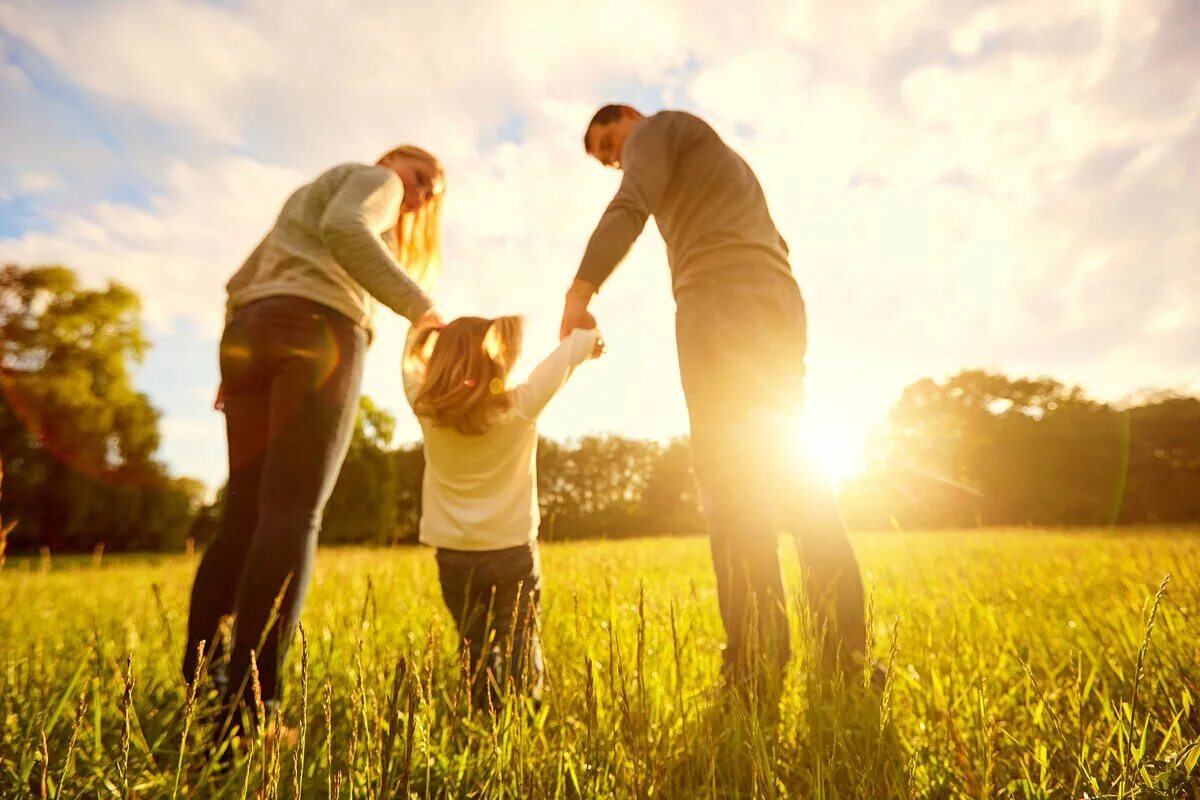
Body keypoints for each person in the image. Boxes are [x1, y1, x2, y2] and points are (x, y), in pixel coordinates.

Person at [560, 105, 869, 690]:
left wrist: (580, 291)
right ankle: (847, 662)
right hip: (775, 298)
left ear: (630, 116)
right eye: (607, 159)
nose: (617, 158)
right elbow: (777, 240)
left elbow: (632, 203)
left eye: (611, 141)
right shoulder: (720, 159)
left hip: (721, 301)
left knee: (732, 485)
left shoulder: (660, 129)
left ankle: (754, 668)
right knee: (795, 472)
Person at [183, 145, 446, 732]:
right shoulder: (376, 181)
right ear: (393, 160)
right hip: (319, 329)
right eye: (421, 175)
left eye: (433, 190)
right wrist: (421, 308)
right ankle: (251, 711)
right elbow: (345, 227)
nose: (422, 192)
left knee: (243, 518)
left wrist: (234, 364)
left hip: (250, 330)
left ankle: (202, 688)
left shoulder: (311, 192)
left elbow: (238, 280)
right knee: (292, 514)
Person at [403, 315, 602, 710]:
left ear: (439, 361)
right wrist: (590, 337)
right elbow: (565, 357)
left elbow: (408, 361)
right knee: (520, 643)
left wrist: (422, 328)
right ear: (496, 361)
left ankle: (483, 714)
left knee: (473, 645)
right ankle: (523, 718)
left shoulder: (424, 409)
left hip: (454, 555)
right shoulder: (521, 405)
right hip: (512, 552)